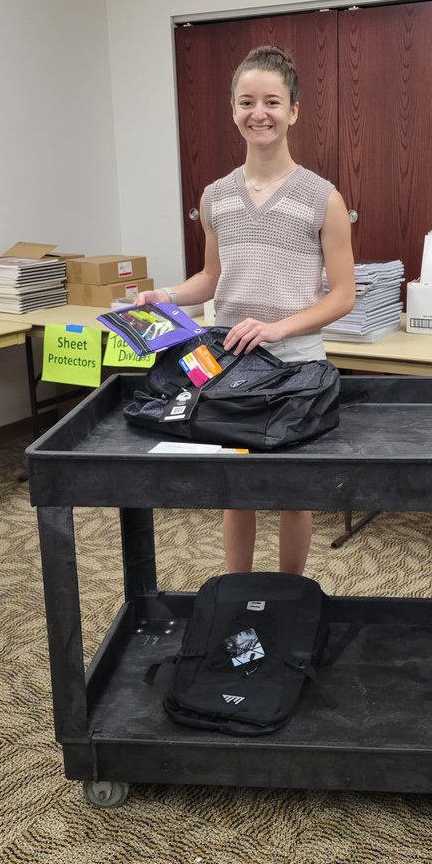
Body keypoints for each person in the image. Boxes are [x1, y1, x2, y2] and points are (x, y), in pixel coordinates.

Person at [136, 44, 355, 575]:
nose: (260, 113)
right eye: (246, 101)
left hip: (296, 363)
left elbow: (343, 296)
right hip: (228, 361)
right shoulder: (215, 196)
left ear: (293, 111)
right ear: (233, 110)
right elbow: (212, 278)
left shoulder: (322, 197)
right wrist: (165, 295)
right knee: (235, 487)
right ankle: (237, 593)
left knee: (292, 491)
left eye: (273, 102)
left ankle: (288, 593)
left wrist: (278, 327)